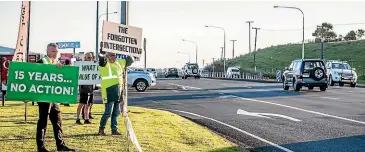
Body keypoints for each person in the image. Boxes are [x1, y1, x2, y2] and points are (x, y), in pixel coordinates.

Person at [36, 43, 75, 152]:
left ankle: (60, 145)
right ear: (47, 51)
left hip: (54, 97)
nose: (55, 53)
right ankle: (41, 147)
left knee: (58, 121)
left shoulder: (57, 63)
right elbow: (34, 74)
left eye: (56, 51)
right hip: (43, 97)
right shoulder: (42, 61)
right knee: (43, 121)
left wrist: (66, 70)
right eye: (53, 51)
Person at [98, 50, 133, 136]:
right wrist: (102, 53)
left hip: (118, 90)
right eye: (112, 55)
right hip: (108, 90)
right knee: (108, 112)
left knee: (116, 112)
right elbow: (101, 59)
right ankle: (101, 129)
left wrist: (131, 50)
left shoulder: (119, 63)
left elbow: (131, 59)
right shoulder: (105, 64)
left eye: (115, 55)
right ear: (107, 56)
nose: (114, 57)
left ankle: (114, 130)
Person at [76, 52, 95, 124]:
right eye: (88, 58)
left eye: (91, 57)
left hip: (91, 88)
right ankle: (78, 118)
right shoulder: (81, 65)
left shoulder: (93, 65)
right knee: (81, 104)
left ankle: (86, 118)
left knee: (88, 104)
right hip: (84, 88)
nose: (90, 59)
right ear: (85, 58)